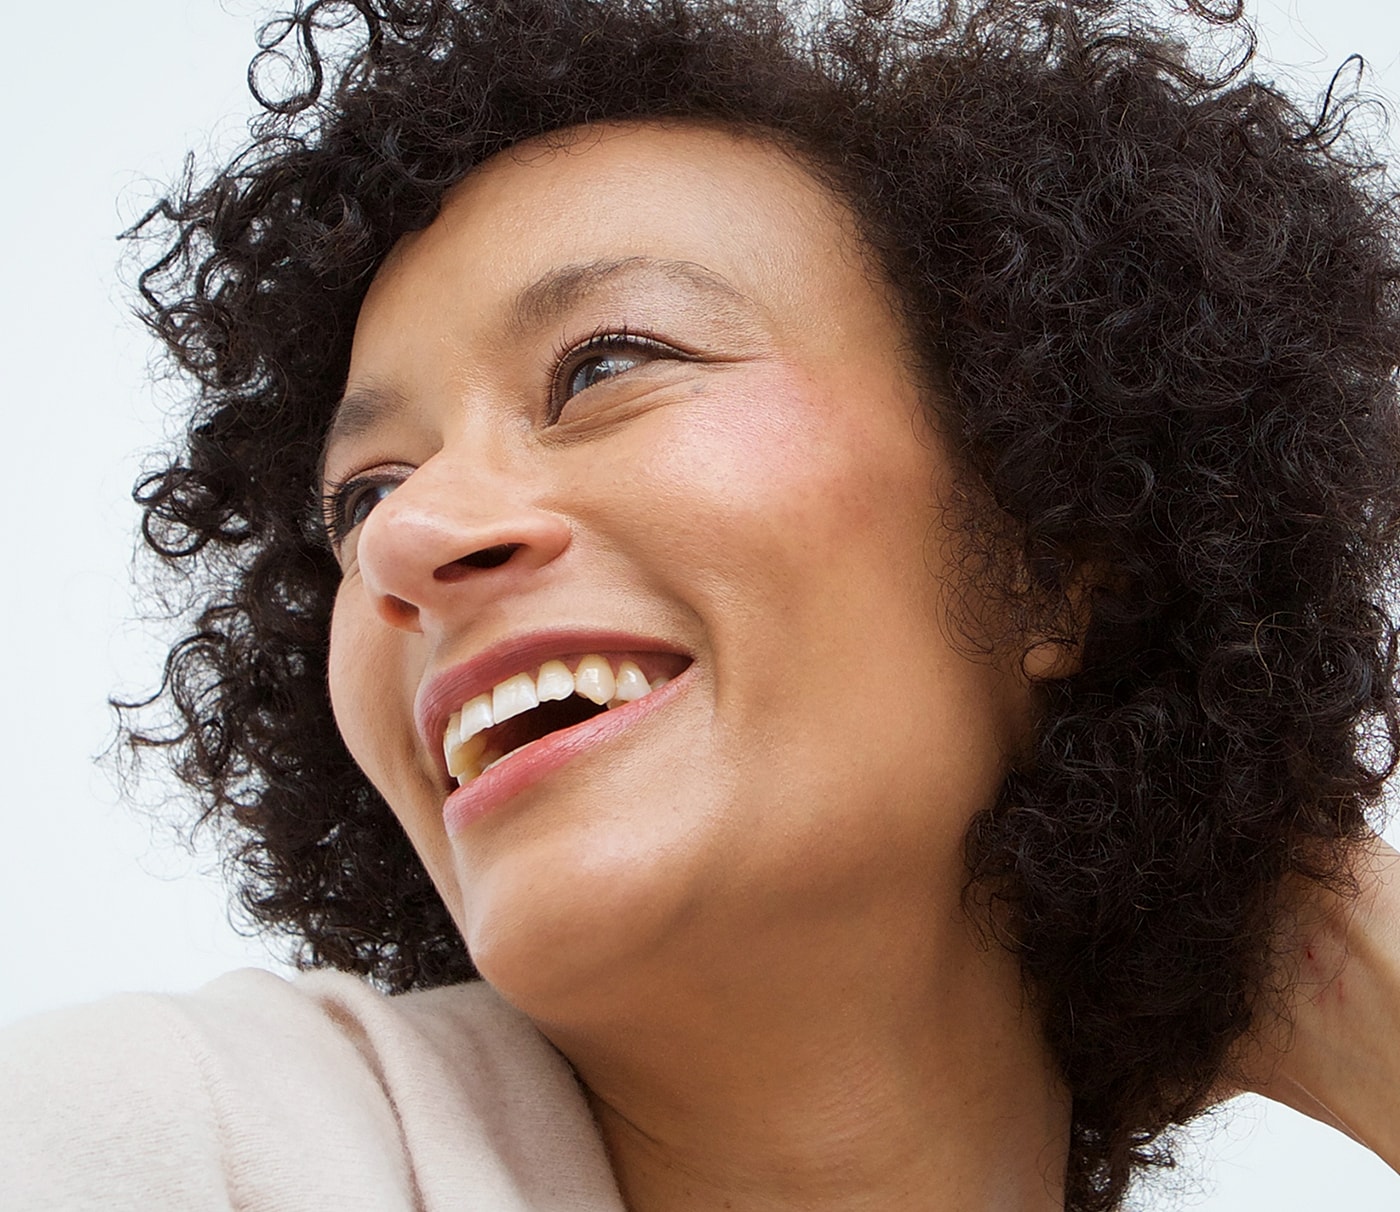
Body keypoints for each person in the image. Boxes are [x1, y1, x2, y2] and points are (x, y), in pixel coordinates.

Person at [2, 0, 1398, 1208]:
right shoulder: (168, 1145)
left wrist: (1347, 971)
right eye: (360, 497)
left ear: (1059, 545)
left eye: (604, 366)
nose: (404, 541)